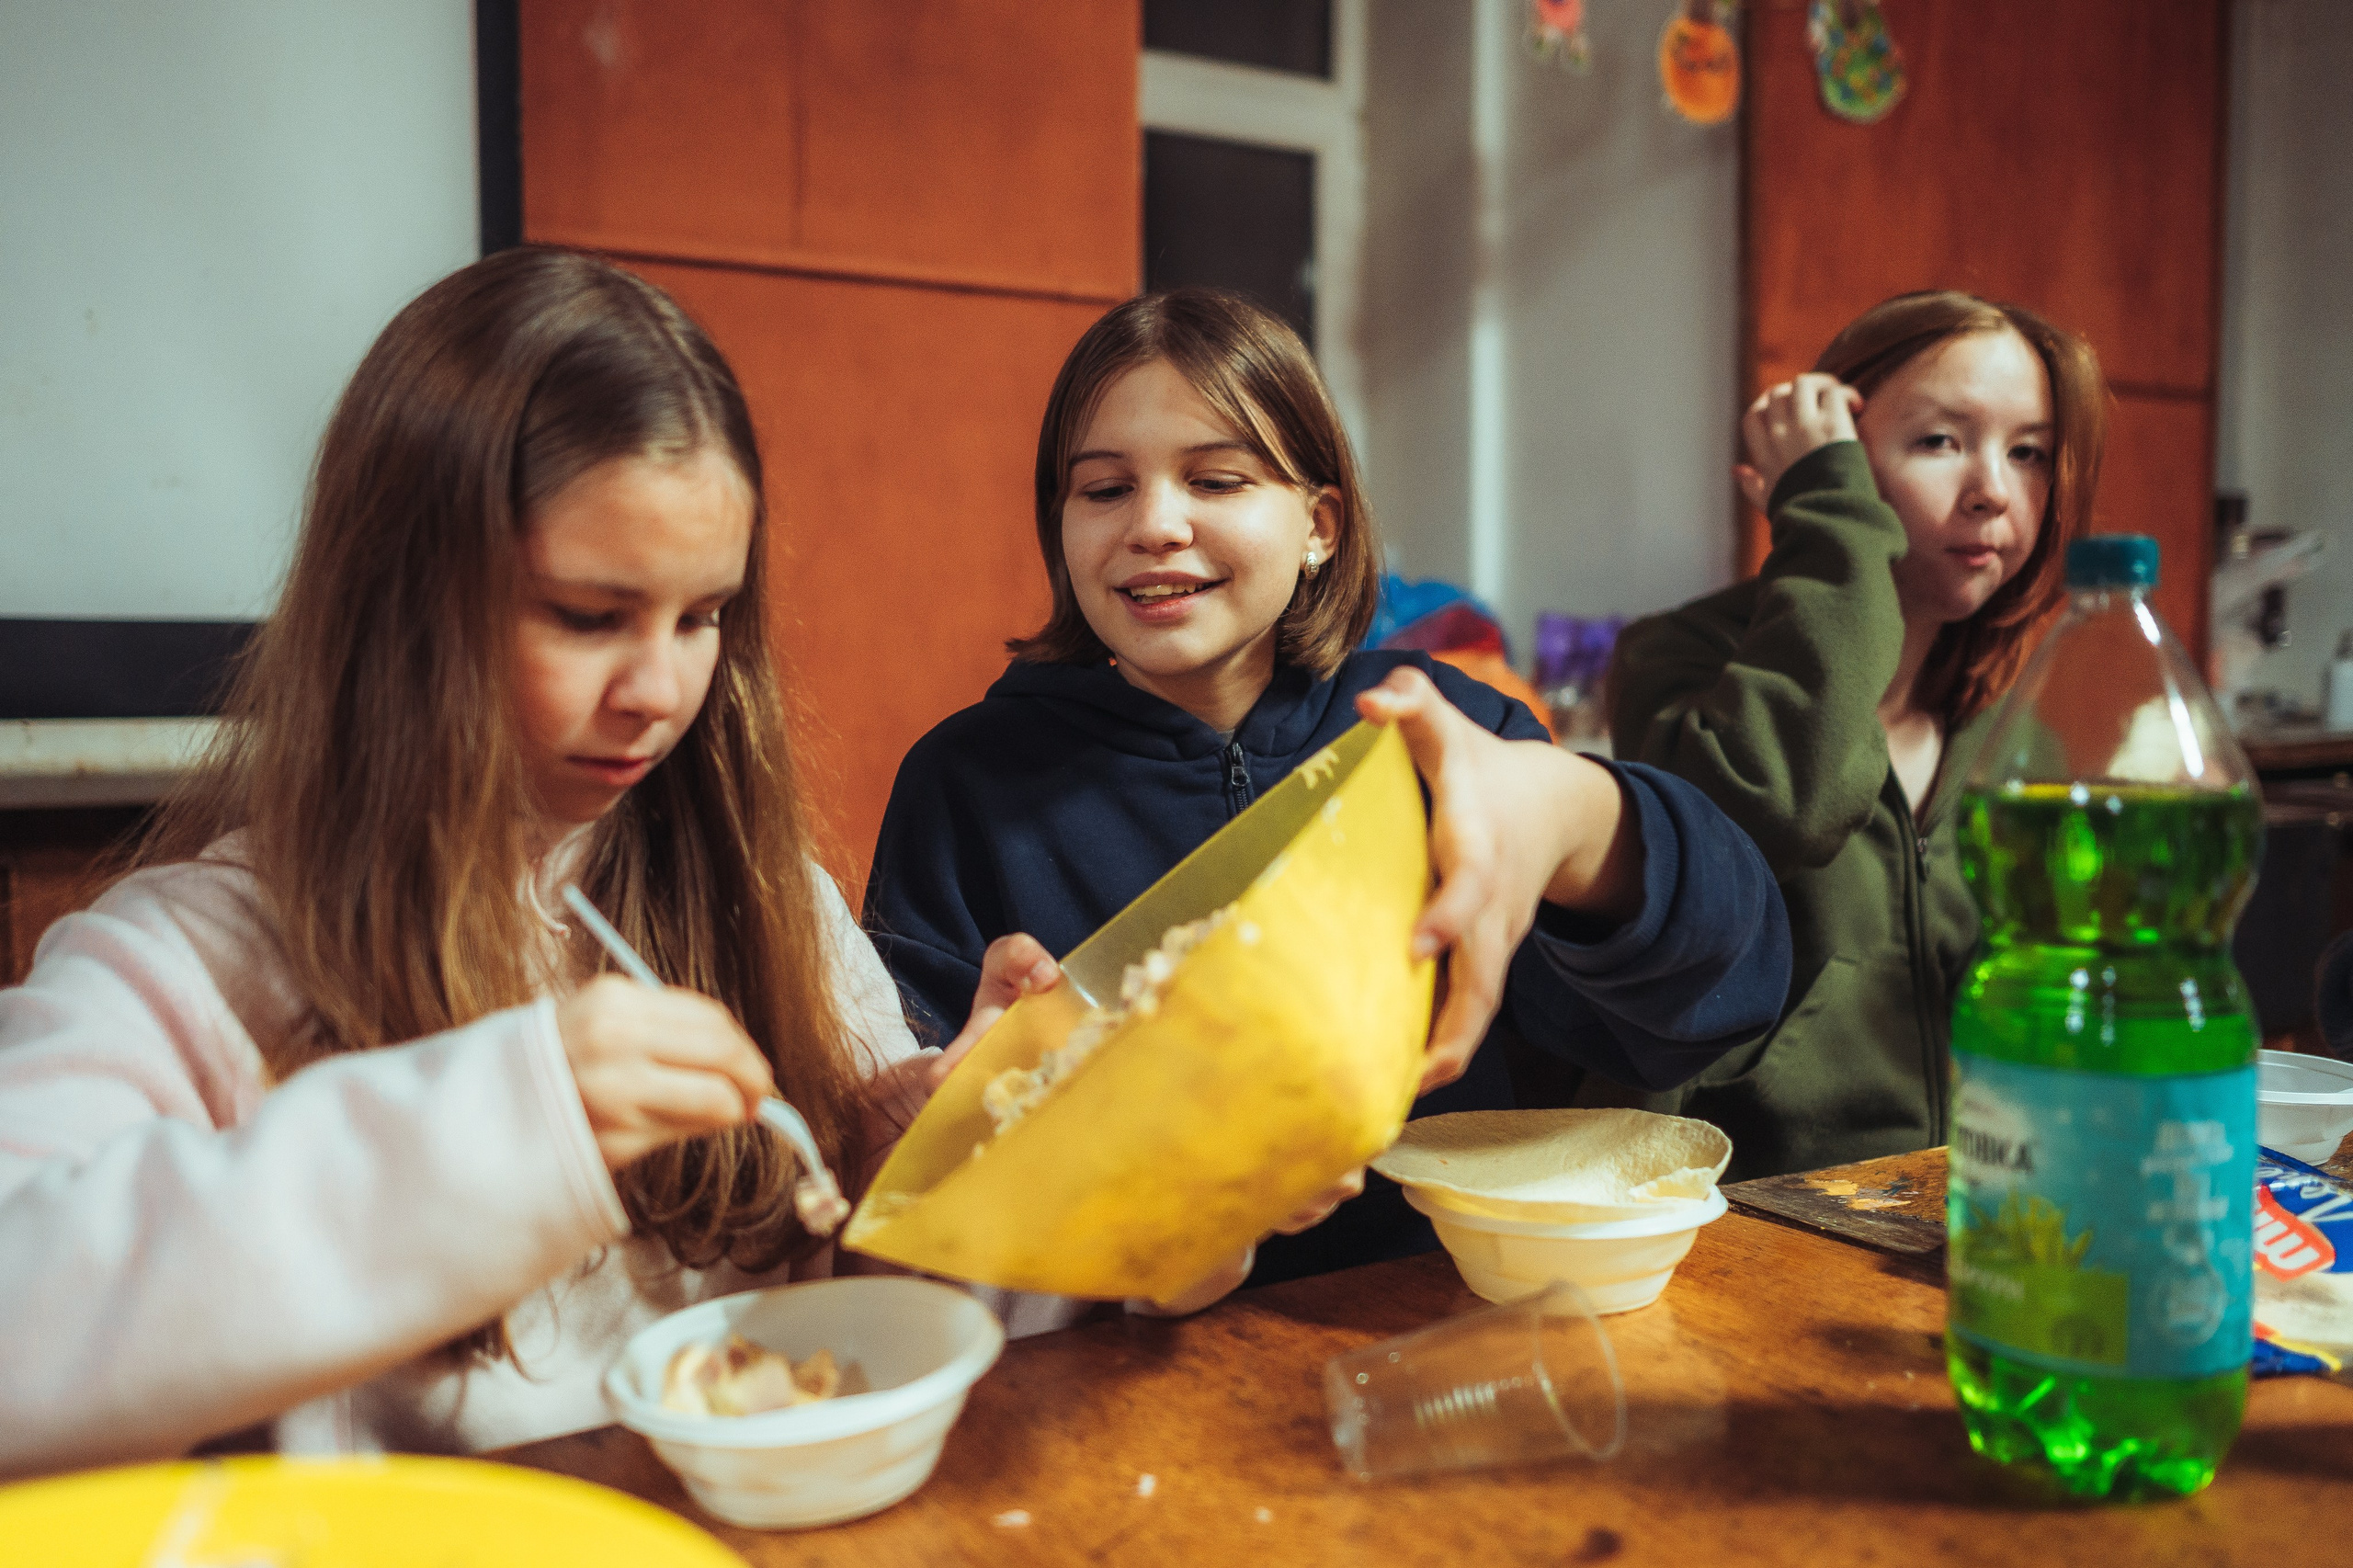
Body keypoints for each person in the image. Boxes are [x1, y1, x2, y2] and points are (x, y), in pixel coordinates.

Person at [0, 249, 1053, 1480]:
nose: (658, 690)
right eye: (589, 616)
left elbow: (853, 1315)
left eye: (702, 617)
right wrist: (505, 1122)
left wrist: (937, 1168)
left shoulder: (769, 903)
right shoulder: (190, 958)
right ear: (405, 604)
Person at [864, 288, 1791, 1315]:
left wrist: (1577, 821)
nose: (1154, 525)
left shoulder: (1439, 734)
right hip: (1122, 1349)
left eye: (1216, 479)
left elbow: (1726, 992)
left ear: (1318, 524)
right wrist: (960, 1107)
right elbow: (933, 1154)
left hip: (1443, 1316)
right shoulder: (966, 781)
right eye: (1104, 489)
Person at [1607, 290, 2108, 1179]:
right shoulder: (1678, 658)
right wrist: (1830, 517)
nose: (1993, 492)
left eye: (2027, 452)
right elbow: (1783, 808)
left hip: (1960, 1198)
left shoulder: (2009, 719)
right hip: (1743, 1207)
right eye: (1940, 441)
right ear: (1826, 461)